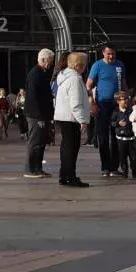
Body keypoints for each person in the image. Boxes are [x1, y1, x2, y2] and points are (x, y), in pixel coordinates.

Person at [54, 50, 91, 187]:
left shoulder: (64, 77)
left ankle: (64, 175)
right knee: (71, 149)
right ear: (80, 66)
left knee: (66, 148)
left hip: (64, 117)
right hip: (71, 118)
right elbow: (76, 103)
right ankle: (70, 176)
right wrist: (83, 120)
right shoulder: (75, 79)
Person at [87, 46, 124, 176]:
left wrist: (127, 99)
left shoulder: (120, 65)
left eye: (113, 54)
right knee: (102, 136)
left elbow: (123, 82)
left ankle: (114, 167)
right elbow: (88, 85)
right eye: (108, 54)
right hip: (102, 104)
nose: (111, 57)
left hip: (117, 105)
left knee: (117, 135)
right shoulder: (97, 66)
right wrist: (92, 103)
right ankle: (105, 167)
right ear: (103, 53)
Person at [23, 49, 56, 179]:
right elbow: (33, 97)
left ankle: (38, 168)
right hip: (36, 115)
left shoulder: (39, 73)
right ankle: (31, 169)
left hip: (40, 114)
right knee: (35, 141)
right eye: (49, 61)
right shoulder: (35, 74)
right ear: (43, 60)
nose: (51, 64)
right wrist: (39, 116)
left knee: (40, 142)